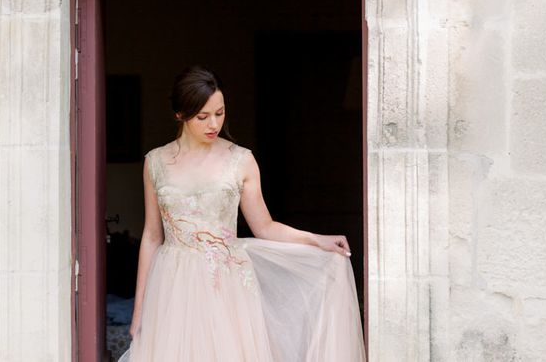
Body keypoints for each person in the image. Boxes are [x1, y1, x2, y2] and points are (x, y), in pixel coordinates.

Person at [118, 65, 366, 361]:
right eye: (203, 116)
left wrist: (316, 240)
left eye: (220, 113)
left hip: (226, 284)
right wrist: (139, 311)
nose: (214, 124)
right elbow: (151, 237)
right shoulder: (156, 162)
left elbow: (265, 227)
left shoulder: (241, 160)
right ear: (180, 115)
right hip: (173, 285)